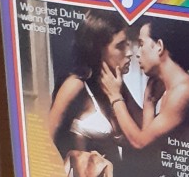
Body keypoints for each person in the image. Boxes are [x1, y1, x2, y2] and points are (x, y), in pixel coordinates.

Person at [99, 17, 189, 177]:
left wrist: (115, 96)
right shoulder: (175, 89)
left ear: (159, 46)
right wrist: (148, 102)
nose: (137, 52)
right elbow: (149, 137)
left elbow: (140, 142)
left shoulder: (184, 93)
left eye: (141, 44)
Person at [48, 9, 138, 168]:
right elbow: (47, 141)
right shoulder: (75, 85)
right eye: (120, 46)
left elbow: (143, 133)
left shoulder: (116, 87)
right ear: (98, 50)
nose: (129, 53)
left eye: (128, 44)